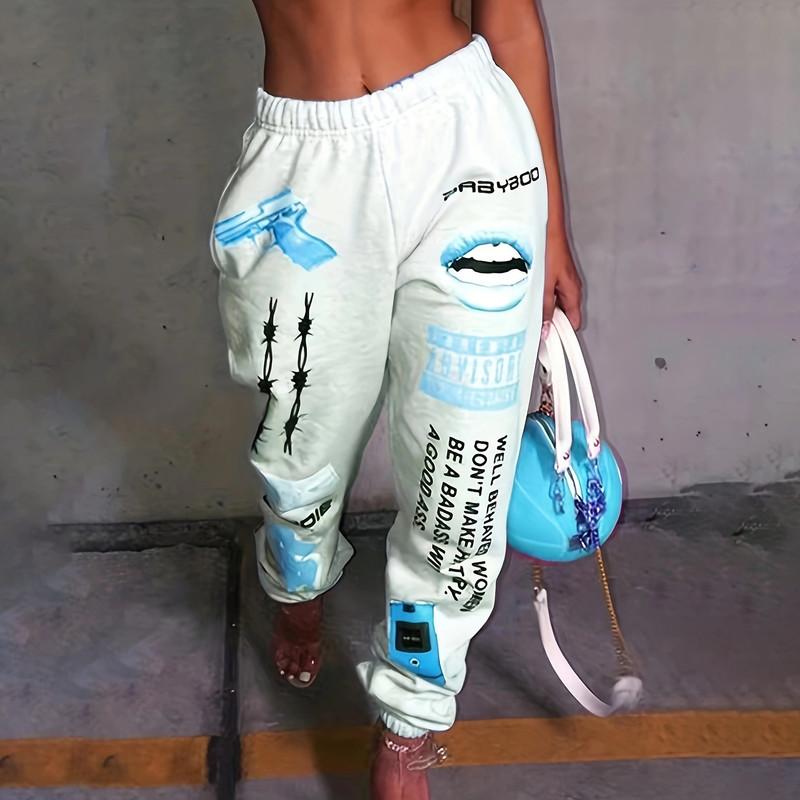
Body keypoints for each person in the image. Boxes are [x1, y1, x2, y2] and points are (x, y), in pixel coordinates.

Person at [209, 1, 583, 796]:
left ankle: (411, 718)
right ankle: (299, 579)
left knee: (464, 468)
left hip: (470, 151)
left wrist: (551, 225)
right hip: (304, 167)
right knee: (297, 448)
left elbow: (510, 22)